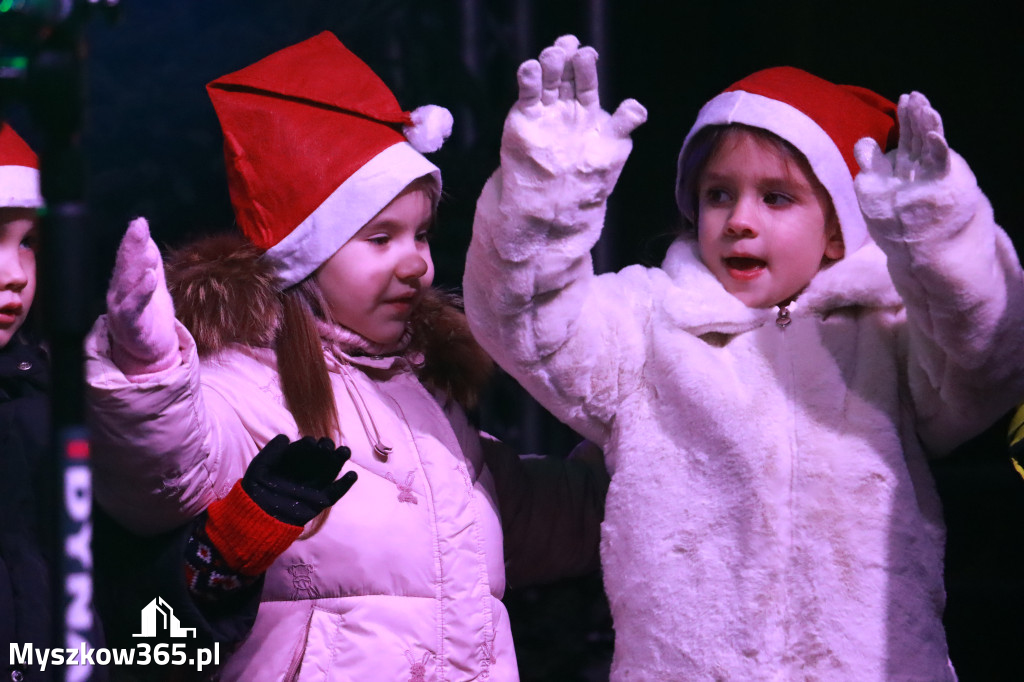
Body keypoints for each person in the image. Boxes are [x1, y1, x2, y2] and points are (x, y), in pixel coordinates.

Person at [463, 35, 1024, 680]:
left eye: (777, 197)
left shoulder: (892, 332)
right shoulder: (648, 322)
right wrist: (545, 202)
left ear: (839, 227)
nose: (739, 220)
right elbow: (526, 322)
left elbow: (986, 355)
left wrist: (941, 235)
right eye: (719, 194)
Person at [85, 32, 604, 682]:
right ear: (308, 254)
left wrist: (666, 445)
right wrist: (148, 373)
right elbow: (159, 474)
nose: (416, 262)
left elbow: (537, 518)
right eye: (380, 237)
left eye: (421, 234)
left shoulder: (427, 401)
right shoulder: (240, 384)